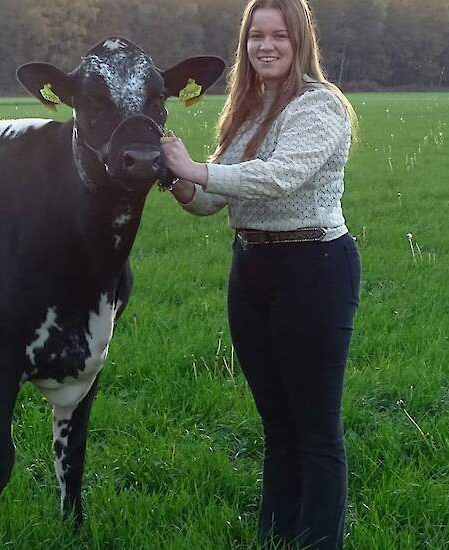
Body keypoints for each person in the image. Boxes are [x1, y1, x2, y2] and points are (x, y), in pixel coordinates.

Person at [159, 0, 360, 548]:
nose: (265, 46)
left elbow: (279, 177)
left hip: (314, 269)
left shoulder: (319, 106)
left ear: (300, 42)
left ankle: (318, 541)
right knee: (276, 422)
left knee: (316, 428)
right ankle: (275, 537)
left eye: (278, 36)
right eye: (255, 36)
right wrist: (175, 178)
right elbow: (211, 200)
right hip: (251, 269)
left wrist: (196, 168)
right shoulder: (246, 111)